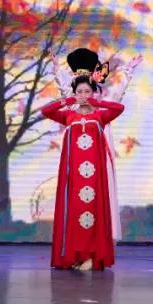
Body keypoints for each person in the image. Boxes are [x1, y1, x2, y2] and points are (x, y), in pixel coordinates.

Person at [41, 48, 125, 271]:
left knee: (94, 214)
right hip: (73, 175)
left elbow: (119, 107)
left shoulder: (100, 116)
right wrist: (68, 99)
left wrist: (98, 103)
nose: (84, 95)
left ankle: (92, 256)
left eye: (88, 91)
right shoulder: (69, 115)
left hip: (95, 176)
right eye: (80, 91)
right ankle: (75, 256)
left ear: (93, 92)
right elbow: (46, 111)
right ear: (75, 93)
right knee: (75, 213)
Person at [54, 53, 141, 241]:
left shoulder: (102, 101)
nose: (83, 93)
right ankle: (77, 240)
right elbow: (66, 92)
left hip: (99, 145)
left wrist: (128, 71)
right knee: (77, 194)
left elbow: (117, 96)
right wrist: (58, 70)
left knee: (101, 189)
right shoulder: (75, 103)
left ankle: (102, 238)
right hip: (78, 150)